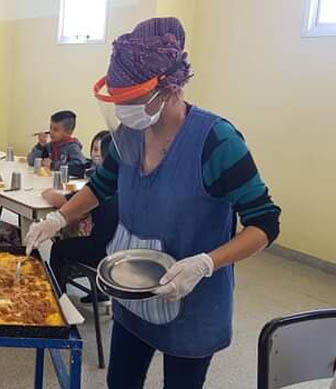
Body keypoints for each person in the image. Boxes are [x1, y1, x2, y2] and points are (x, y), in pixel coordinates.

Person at [25, 17, 281, 389]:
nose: (126, 110)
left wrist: (206, 263)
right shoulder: (129, 136)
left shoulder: (217, 142)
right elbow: (100, 187)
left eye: (132, 101)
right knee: (121, 382)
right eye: (120, 101)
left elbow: (265, 224)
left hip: (192, 294)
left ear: (168, 89)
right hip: (131, 288)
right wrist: (58, 219)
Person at [42, 130, 117, 304]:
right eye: (94, 149)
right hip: (120, 249)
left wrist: (47, 193)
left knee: (59, 248)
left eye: (99, 151)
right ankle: (100, 290)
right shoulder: (127, 181)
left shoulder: (101, 184)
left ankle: (56, 297)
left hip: (102, 250)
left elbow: (61, 200)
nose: (95, 155)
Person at [27, 110, 88, 176]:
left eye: (55, 130)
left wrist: (53, 165)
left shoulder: (73, 147)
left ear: (69, 132)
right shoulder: (50, 146)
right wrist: (40, 146)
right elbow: (31, 161)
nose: (51, 132)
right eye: (50, 128)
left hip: (64, 183)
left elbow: (78, 167)